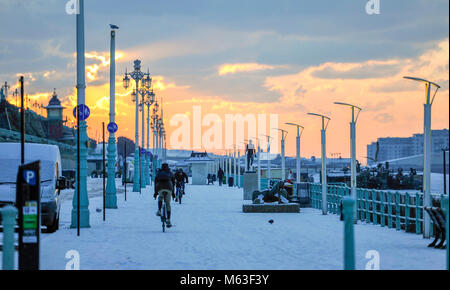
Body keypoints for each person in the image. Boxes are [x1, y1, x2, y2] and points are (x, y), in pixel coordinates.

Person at [154, 163, 175, 227]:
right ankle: (168, 219)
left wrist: (155, 193)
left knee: (160, 197)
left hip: (160, 187)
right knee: (168, 204)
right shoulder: (170, 173)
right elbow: (173, 183)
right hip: (169, 188)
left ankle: (159, 210)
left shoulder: (159, 173)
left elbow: (155, 183)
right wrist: (173, 193)